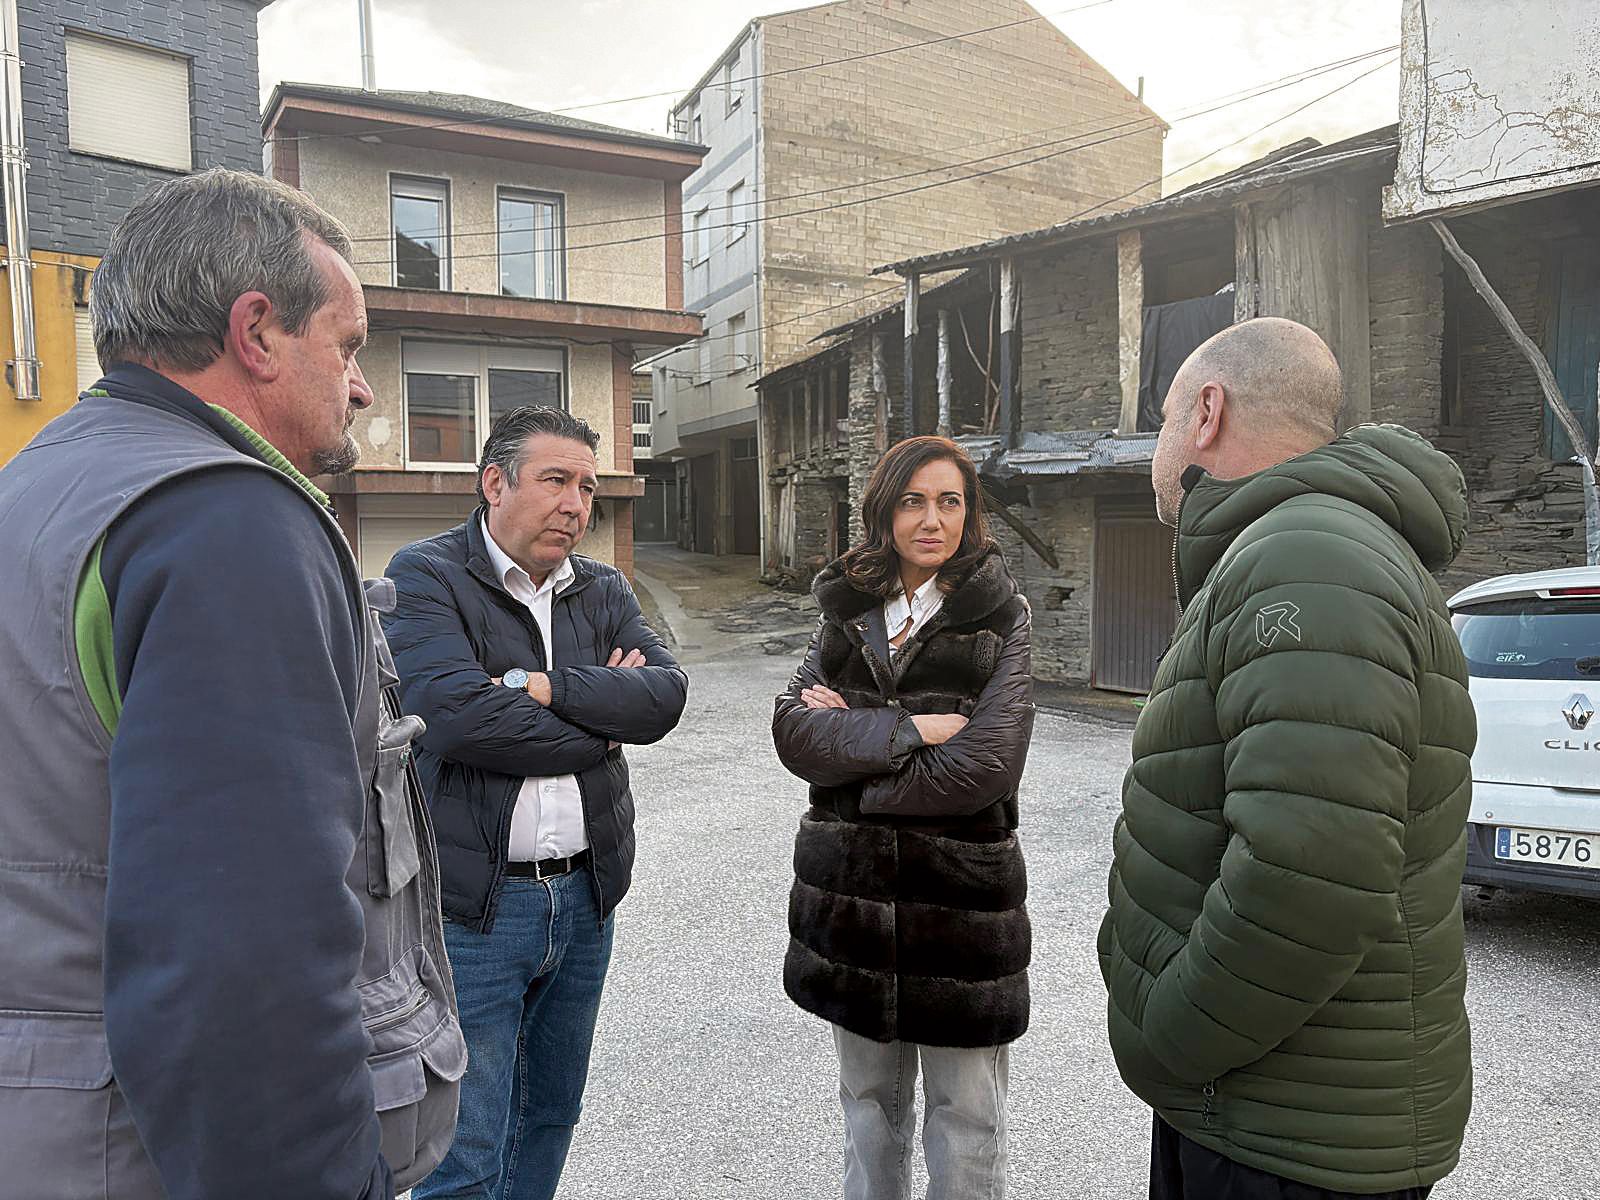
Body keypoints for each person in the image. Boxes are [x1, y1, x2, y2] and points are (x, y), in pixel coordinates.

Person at [0, 169, 463, 1200]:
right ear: (256, 333)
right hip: (141, 1159)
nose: (362, 386)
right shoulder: (229, 523)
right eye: (346, 345)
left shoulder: (38, 485)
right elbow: (241, 959)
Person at [1099, 317, 1475, 1200]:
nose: (1155, 448)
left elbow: (1311, 872)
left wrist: (1174, 1034)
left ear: (1207, 413)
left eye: (1162, 420)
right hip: (1266, 1109)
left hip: (1280, 1133)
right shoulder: (1299, 549)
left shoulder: (1307, 560)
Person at [384, 406, 688, 1200]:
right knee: (465, 1144)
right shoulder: (427, 576)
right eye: (556, 480)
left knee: (548, 1116)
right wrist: (603, 725)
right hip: (476, 911)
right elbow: (457, 717)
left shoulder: (602, 587)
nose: (575, 505)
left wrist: (541, 687)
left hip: (586, 901)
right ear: (494, 483)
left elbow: (664, 698)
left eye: (586, 487)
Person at [771, 435, 1036, 1200]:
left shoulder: (1002, 615)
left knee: (967, 1122)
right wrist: (911, 729)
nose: (932, 519)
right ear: (885, 512)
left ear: (969, 512)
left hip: (960, 915)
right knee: (867, 1111)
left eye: (949, 501)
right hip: (852, 909)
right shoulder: (847, 612)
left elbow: (985, 767)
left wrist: (853, 769)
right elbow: (794, 732)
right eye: (914, 501)